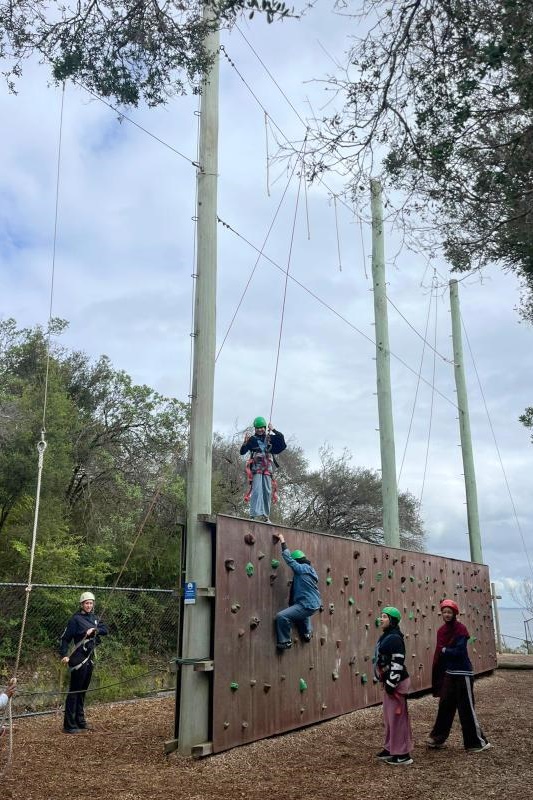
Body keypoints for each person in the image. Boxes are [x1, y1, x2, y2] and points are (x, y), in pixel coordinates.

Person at [427, 598, 491, 752]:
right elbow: (440, 653)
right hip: (449, 673)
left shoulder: (461, 629)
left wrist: (445, 650)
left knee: (466, 708)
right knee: (445, 705)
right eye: (444, 612)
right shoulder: (441, 631)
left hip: (463, 673)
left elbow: (460, 651)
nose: (447, 615)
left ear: (455, 613)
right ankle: (437, 738)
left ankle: (476, 743)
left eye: (449, 612)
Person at [59, 591, 108, 733]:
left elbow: (105, 630)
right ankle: (69, 725)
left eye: (91, 603)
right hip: (78, 657)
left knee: (82, 691)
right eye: (86, 603)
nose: (89, 605)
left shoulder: (94, 618)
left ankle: (80, 721)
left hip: (89, 657)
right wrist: (64, 654)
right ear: (82, 604)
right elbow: (65, 638)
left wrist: (95, 630)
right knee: (75, 691)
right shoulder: (75, 619)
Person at [373, 607, 414, 766]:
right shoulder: (387, 635)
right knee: (389, 718)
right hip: (389, 682)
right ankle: (391, 748)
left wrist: (391, 683)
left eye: (384, 616)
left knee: (398, 719)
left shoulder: (395, 638)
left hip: (396, 683)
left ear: (392, 621)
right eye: (381, 616)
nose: (381, 619)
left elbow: (398, 661)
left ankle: (403, 754)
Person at [274, 533, 321, 650]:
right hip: (314, 603)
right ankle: (307, 632)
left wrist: (282, 540)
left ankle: (286, 641)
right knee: (302, 612)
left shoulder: (301, 569)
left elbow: (288, 559)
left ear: (298, 561)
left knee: (282, 616)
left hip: (307, 604)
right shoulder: (311, 570)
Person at [240, 417, 286, 522]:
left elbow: (282, 442)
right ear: (255, 429)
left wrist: (273, 429)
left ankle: (265, 516)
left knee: (267, 491)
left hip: (267, 469)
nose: (259, 430)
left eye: (261, 428)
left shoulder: (269, 438)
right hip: (257, 468)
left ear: (264, 428)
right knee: (256, 490)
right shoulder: (252, 440)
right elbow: (242, 452)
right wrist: (245, 443)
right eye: (257, 428)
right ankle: (253, 514)